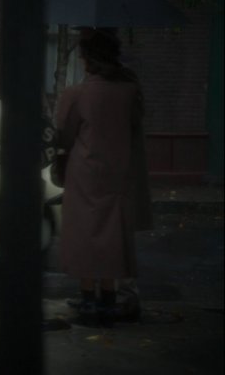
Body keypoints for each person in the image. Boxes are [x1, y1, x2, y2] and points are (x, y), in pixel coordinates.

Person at [54, 28, 150, 326]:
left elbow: (64, 135)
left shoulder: (77, 94)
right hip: (119, 170)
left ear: (87, 59)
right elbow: (136, 125)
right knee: (111, 234)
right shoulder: (129, 91)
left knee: (85, 232)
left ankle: (87, 298)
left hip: (85, 172)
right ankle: (108, 299)